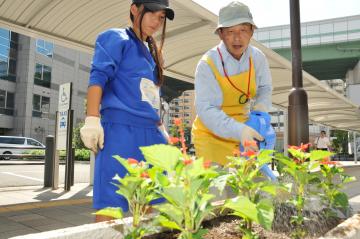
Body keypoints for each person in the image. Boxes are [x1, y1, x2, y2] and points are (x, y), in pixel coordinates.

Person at [80, 0, 174, 222]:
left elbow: (152, 96)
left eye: (161, 17)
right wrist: (92, 119)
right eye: (152, 13)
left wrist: (162, 129)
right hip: (120, 131)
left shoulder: (155, 54)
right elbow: (98, 78)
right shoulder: (115, 38)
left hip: (151, 133)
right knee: (110, 203)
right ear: (135, 9)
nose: (156, 21)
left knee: (148, 202)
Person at [192, 1, 272, 166]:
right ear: (221, 34)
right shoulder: (207, 64)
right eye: (230, 31)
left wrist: (260, 110)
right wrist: (239, 130)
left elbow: (265, 87)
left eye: (243, 30)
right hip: (211, 136)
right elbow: (206, 109)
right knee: (215, 189)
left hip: (246, 132)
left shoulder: (258, 58)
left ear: (252, 31)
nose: (237, 38)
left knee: (246, 188)